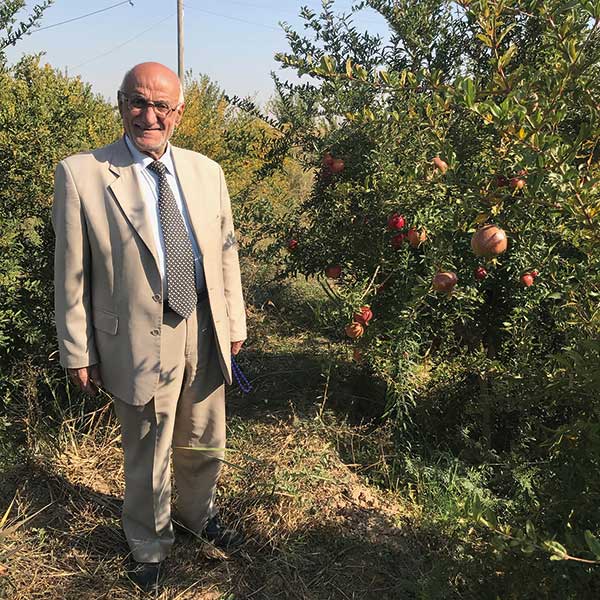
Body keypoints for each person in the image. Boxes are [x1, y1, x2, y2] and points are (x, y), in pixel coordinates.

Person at [52, 62, 247, 591]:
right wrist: (78, 350)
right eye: (138, 102)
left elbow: (224, 253)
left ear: (179, 113)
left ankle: (195, 516)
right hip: (134, 337)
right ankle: (149, 540)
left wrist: (235, 320)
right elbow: (71, 272)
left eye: (162, 106)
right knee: (147, 445)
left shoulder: (208, 173)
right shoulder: (83, 174)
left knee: (205, 436)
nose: (149, 115)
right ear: (120, 104)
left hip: (203, 326)